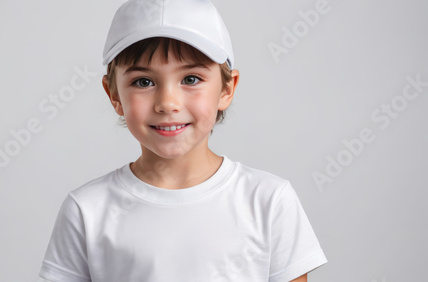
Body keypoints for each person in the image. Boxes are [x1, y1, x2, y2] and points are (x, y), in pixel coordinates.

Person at [38, 0, 328, 281]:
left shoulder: (269, 200)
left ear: (227, 89)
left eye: (190, 79)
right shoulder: (86, 209)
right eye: (144, 82)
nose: (167, 103)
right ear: (114, 95)